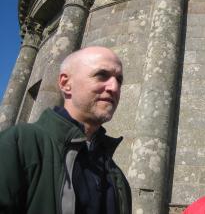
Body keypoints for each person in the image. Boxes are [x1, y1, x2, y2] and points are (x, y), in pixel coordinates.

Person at [0, 46, 132, 214]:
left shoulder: (116, 176)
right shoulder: (18, 145)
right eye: (102, 75)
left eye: (119, 80)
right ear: (65, 83)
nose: (114, 87)